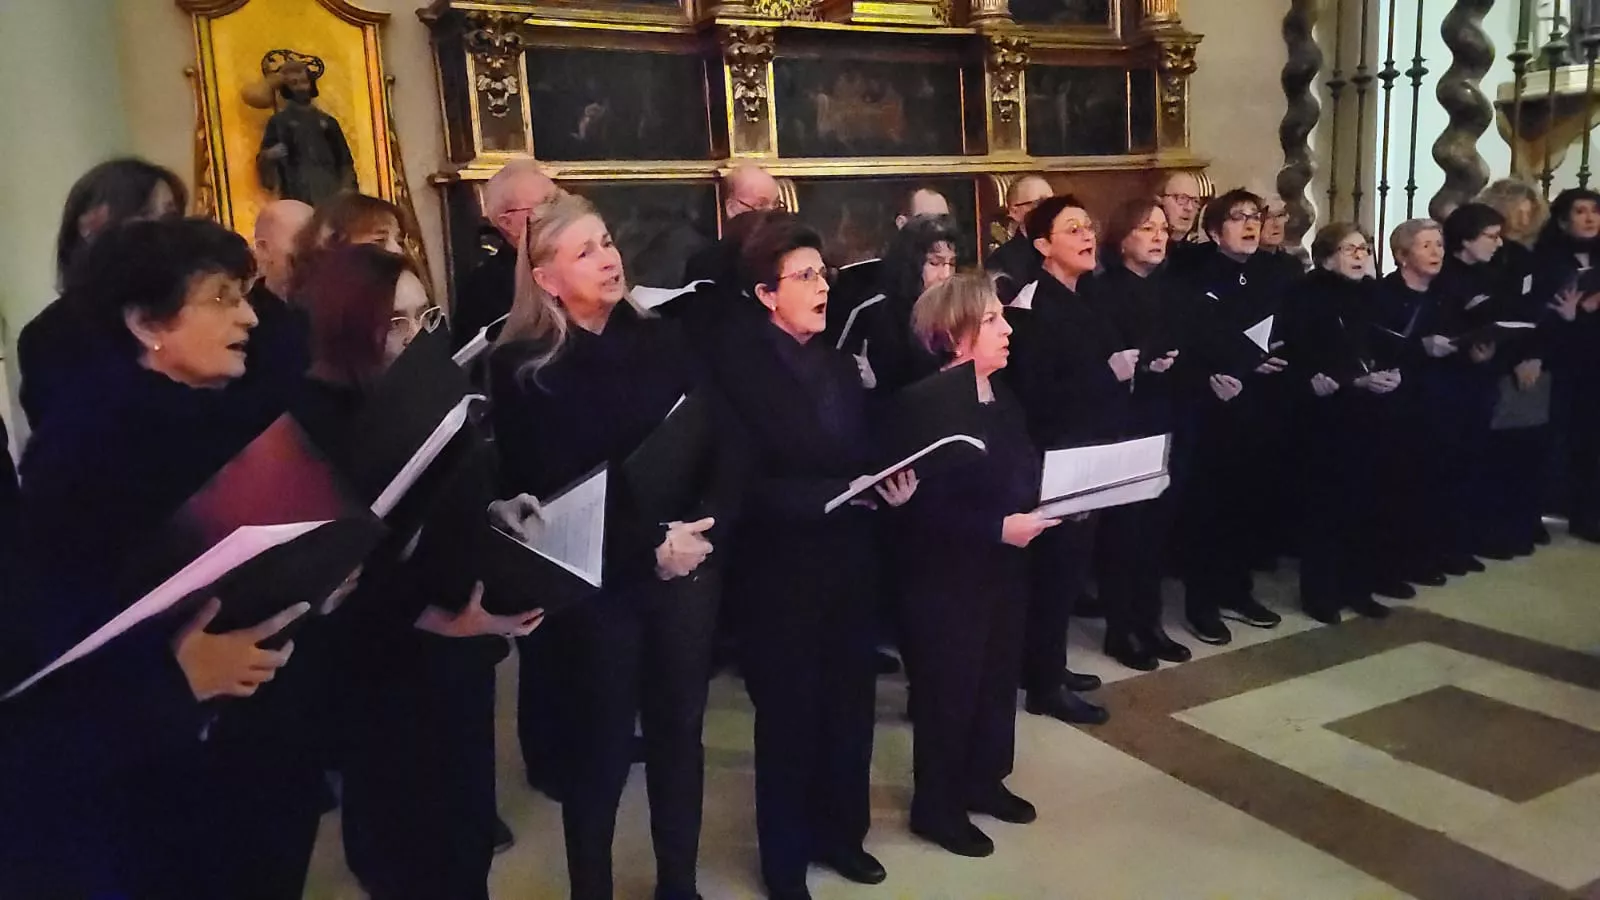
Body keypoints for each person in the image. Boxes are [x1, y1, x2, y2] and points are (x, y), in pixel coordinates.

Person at [15, 216, 323, 899]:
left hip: (254, 743)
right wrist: (171, 676)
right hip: (171, 769)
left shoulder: (213, 416)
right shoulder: (88, 446)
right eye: (220, 297)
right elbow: (61, 637)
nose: (248, 315)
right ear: (146, 321)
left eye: (245, 294)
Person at [489, 192, 728, 900]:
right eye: (585, 250)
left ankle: (676, 886)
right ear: (545, 277)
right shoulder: (524, 366)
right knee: (596, 751)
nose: (608, 257)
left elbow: (718, 438)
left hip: (685, 562)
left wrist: (701, 529)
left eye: (607, 242)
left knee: (680, 735)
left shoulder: (664, 337)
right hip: (597, 580)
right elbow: (551, 486)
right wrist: (647, 545)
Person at [291, 244, 539, 900]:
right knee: (406, 855)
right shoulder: (314, 418)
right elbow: (330, 578)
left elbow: (452, 497)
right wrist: (434, 619)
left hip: (457, 659)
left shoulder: (427, 390)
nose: (412, 336)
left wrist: (496, 509)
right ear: (348, 324)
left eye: (421, 317)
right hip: (382, 672)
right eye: (392, 322)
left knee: (463, 842)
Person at [708, 216, 916, 900]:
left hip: (852, 560)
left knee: (851, 708)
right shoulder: (737, 367)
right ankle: (785, 861)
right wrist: (827, 496)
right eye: (805, 277)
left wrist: (890, 479)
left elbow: (864, 444)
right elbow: (737, 484)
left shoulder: (836, 362)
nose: (822, 285)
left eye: (823, 274)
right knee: (791, 720)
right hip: (779, 571)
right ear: (768, 293)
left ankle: (842, 835)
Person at [897, 273, 1049, 858]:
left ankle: (984, 780)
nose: (1008, 329)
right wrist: (996, 527)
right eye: (992, 320)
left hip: (1004, 568)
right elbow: (915, 509)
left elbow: (1021, 468)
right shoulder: (924, 404)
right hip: (946, 576)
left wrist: (1058, 499)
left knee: (994, 679)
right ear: (954, 333)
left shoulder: (1000, 395)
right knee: (949, 691)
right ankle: (936, 806)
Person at [1006, 194, 1129, 723]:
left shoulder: (1085, 294)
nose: (1087, 236)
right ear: (1042, 246)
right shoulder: (1033, 305)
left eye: (1088, 226)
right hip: (1054, 455)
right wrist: (1111, 374)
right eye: (1072, 229)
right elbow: (1035, 393)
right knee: (1052, 574)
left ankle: (1048, 666)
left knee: (1070, 568)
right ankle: (1042, 683)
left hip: (1090, 446)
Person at [1167, 188, 1287, 645]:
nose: (1250, 224)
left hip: (1263, 401)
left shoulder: (1275, 272)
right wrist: (1228, 366)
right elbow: (1190, 337)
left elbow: (1288, 328)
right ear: (1215, 230)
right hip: (1213, 402)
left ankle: (1240, 590)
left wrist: (1271, 356)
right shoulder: (1194, 274)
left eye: (1254, 216)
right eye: (1237, 218)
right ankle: (1203, 603)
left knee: (1249, 501)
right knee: (1209, 506)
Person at [1279, 223, 1403, 623]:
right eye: (1349, 249)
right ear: (1327, 256)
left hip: (1372, 411)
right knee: (1326, 506)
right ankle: (1321, 593)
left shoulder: (1373, 293)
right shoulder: (1306, 294)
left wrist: (1396, 372)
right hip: (1326, 415)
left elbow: (1391, 342)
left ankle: (1358, 586)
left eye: (1364, 248)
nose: (1359, 255)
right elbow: (1302, 351)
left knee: (1366, 500)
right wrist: (1352, 378)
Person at [1092, 199, 1193, 670]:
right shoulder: (1102, 291)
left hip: (1165, 413)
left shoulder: (1173, 288)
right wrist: (1142, 361)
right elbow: (1098, 358)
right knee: (1124, 529)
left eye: (1162, 229)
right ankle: (1121, 628)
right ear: (1122, 237)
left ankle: (1151, 623)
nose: (1158, 236)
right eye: (1146, 228)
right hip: (1123, 421)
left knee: (1158, 525)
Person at [18, 158, 186, 428]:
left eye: (170, 217)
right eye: (144, 214)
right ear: (89, 227)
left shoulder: (185, 304)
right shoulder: (49, 335)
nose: (163, 232)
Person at [1420, 203, 1507, 571]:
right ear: (1467, 238)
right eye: (1490, 236)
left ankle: (1461, 542)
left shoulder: (1490, 273)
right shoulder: (1443, 278)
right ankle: (1435, 548)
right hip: (1444, 383)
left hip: (1478, 380)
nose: (1499, 243)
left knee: (1472, 465)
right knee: (1440, 468)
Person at [1475, 180, 1556, 557]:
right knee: (1501, 450)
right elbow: (1501, 315)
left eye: (1529, 208)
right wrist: (1517, 357)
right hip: (1501, 361)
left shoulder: (1532, 254)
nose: (1525, 215)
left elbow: (1538, 313)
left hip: (1534, 357)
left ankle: (1523, 521)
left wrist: (1536, 354)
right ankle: (1497, 528)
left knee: (1530, 446)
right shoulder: (1493, 258)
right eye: (1517, 208)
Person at [1372, 219, 1452, 588]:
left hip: (1435, 398)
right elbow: (1374, 346)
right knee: (1392, 485)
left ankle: (1421, 556)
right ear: (1403, 256)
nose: (1437, 252)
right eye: (1426, 245)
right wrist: (1420, 347)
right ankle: (1386, 566)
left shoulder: (1444, 293)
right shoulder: (1381, 295)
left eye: (1439, 244)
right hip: (1393, 401)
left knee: (1430, 479)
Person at [1532, 187, 1600, 543]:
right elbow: (1539, 315)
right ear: (1562, 220)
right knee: (1564, 435)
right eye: (1580, 212)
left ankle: (1592, 513)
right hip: (1566, 361)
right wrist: (1573, 316)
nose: (1589, 218)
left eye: (1594, 211)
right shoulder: (1547, 261)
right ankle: (1563, 507)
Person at [845, 214, 960, 392]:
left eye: (951, 264)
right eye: (934, 263)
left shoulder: (957, 308)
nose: (946, 275)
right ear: (911, 263)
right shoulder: (876, 311)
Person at [452, 158, 560, 348]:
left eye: (558, 202)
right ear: (506, 223)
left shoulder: (575, 262)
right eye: (545, 205)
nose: (558, 214)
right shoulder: (483, 288)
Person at [256, 56, 358, 206]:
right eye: (294, 84)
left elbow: (345, 162)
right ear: (287, 89)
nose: (301, 88)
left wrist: (346, 190)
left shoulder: (328, 122)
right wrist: (269, 156)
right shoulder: (279, 122)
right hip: (296, 185)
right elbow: (265, 159)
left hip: (328, 185)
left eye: (304, 82)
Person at [985, 174, 1051, 302]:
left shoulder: (1067, 248)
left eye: (1053, 202)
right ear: (1015, 212)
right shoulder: (1000, 262)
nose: (1051, 210)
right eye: (1040, 203)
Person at [1157, 170, 1208, 272]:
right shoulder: (1143, 254)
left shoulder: (1201, 259)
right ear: (1160, 200)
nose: (1189, 208)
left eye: (1195, 201)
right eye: (1182, 198)